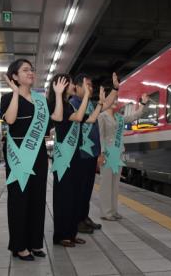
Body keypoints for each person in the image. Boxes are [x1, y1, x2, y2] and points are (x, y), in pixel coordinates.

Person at [1, 59, 67, 260]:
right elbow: (10, 120)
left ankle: (34, 243)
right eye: (25, 70)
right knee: (19, 199)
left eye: (32, 69)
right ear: (14, 76)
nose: (31, 72)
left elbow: (56, 118)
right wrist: (14, 92)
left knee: (37, 199)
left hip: (37, 154)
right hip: (18, 153)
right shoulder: (7, 97)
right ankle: (19, 246)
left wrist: (57, 94)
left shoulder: (40, 100)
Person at [47, 73, 104, 247]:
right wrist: (60, 94)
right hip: (64, 158)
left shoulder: (69, 106)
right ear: (61, 85)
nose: (73, 85)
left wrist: (100, 103)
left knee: (74, 197)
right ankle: (61, 235)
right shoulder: (59, 105)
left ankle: (71, 234)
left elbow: (90, 119)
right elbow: (65, 118)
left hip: (75, 159)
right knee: (63, 198)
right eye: (70, 82)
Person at [69, 73, 119, 233]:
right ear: (76, 87)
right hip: (80, 153)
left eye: (91, 85)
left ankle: (84, 217)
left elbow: (105, 105)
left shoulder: (90, 103)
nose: (90, 88)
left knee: (87, 188)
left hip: (90, 153)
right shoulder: (73, 103)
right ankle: (77, 220)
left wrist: (115, 88)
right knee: (80, 189)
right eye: (86, 85)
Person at [98, 93, 149, 220]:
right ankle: (106, 213)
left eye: (116, 99)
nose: (115, 101)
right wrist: (101, 154)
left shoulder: (119, 117)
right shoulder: (101, 116)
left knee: (115, 184)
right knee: (106, 184)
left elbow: (134, 116)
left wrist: (142, 103)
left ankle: (114, 211)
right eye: (112, 99)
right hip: (108, 154)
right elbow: (100, 136)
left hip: (118, 153)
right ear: (106, 101)